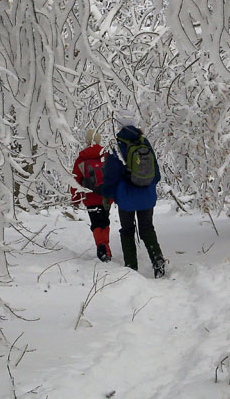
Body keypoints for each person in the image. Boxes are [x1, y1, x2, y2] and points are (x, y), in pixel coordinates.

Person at [101, 114, 166, 278]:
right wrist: (149, 185)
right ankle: (157, 259)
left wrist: (110, 194)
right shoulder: (144, 141)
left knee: (127, 230)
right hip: (146, 195)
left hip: (126, 197)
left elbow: (110, 175)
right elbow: (156, 172)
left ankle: (131, 267)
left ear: (119, 126)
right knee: (147, 228)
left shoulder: (116, 145)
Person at [71, 129, 113, 262]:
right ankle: (106, 248)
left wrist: (76, 199)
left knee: (96, 223)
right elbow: (114, 176)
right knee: (104, 222)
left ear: (87, 140)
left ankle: (102, 248)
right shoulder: (106, 156)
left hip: (90, 198)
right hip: (106, 197)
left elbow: (75, 180)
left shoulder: (82, 158)